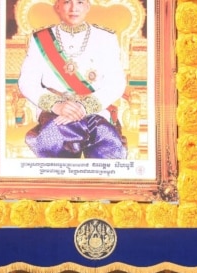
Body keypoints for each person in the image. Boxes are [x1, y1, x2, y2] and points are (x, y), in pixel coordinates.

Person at [18, 0, 127, 159]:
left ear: (88, 6)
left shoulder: (105, 37)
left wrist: (83, 107)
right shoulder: (40, 38)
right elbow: (27, 82)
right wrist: (57, 105)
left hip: (96, 111)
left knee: (108, 144)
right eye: (67, 1)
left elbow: (116, 82)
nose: (73, 8)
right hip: (55, 114)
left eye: (80, 2)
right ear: (58, 7)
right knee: (56, 139)